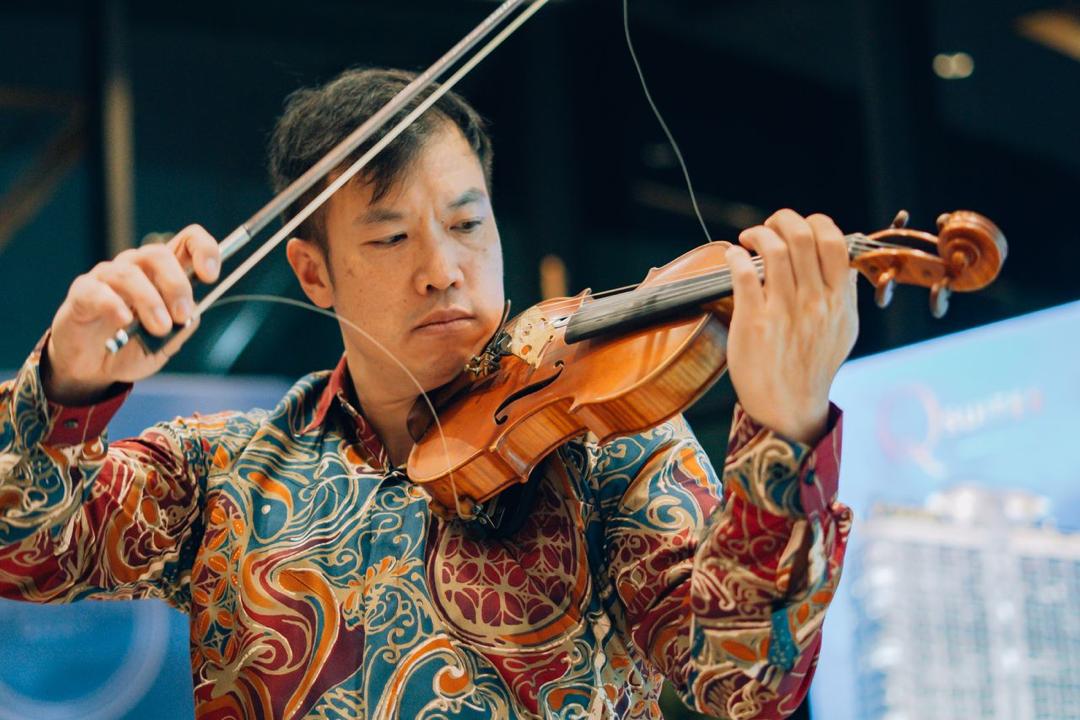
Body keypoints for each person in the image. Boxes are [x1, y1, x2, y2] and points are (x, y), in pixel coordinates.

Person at [0, 68, 856, 719]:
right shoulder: (221, 472)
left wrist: (786, 426)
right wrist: (70, 374)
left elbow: (744, 680)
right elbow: (26, 547)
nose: (443, 270)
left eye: (467, 224)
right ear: (313, 273)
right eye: (390, 238)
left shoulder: (610, 439)